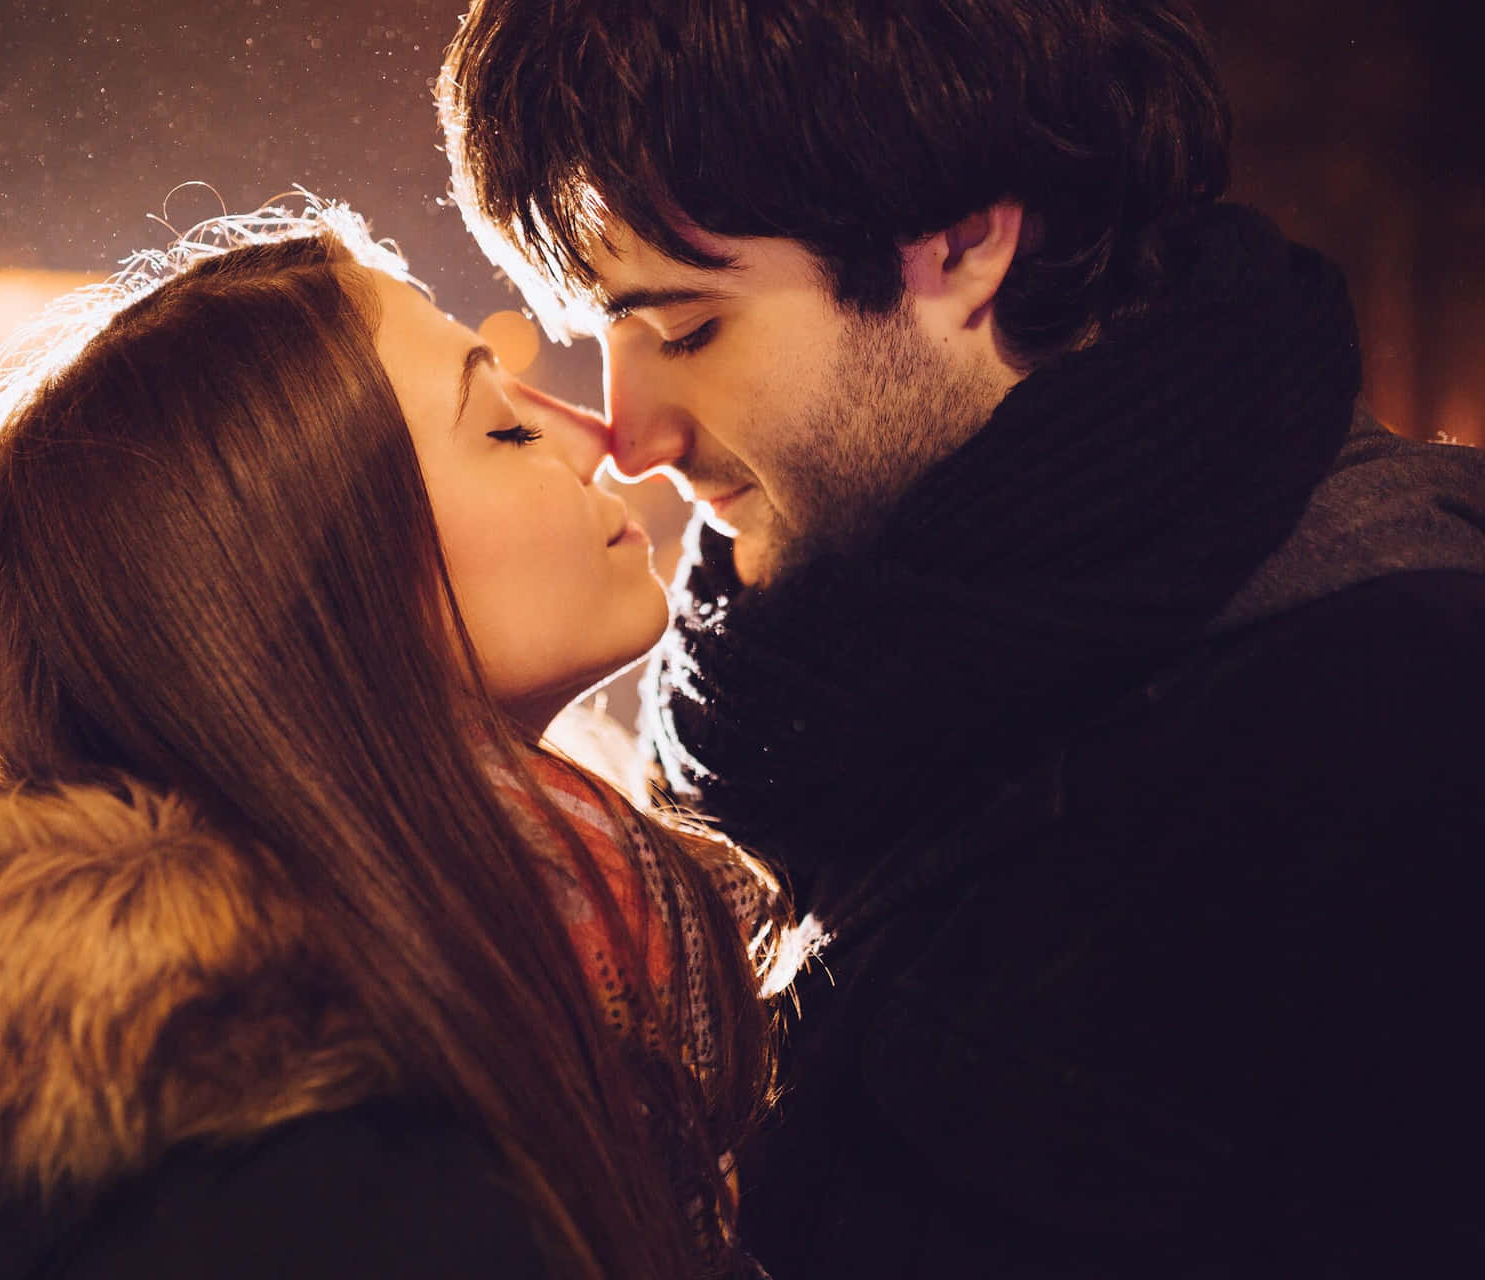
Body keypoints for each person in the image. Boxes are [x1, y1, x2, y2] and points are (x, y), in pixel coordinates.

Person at [438, 1, 1485, 1274]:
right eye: (603, 330)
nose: (633, 434)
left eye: (688, 330)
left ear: (970, 240)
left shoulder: (1400, 715)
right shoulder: (789, 685)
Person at [0, 206, 803, 1280]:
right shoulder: (323, 1174)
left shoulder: (499, 967)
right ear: (309, 599)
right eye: (500, 423)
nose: (598, 437)